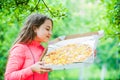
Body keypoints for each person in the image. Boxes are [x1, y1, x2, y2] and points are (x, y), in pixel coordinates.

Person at [5, 13, 53, 80]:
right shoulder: (20, 48)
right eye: (47, 29)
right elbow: (9, 77)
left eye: (51, 30)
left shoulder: (44, 50)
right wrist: (31, 69)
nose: (51, 33)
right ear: (35, 28)